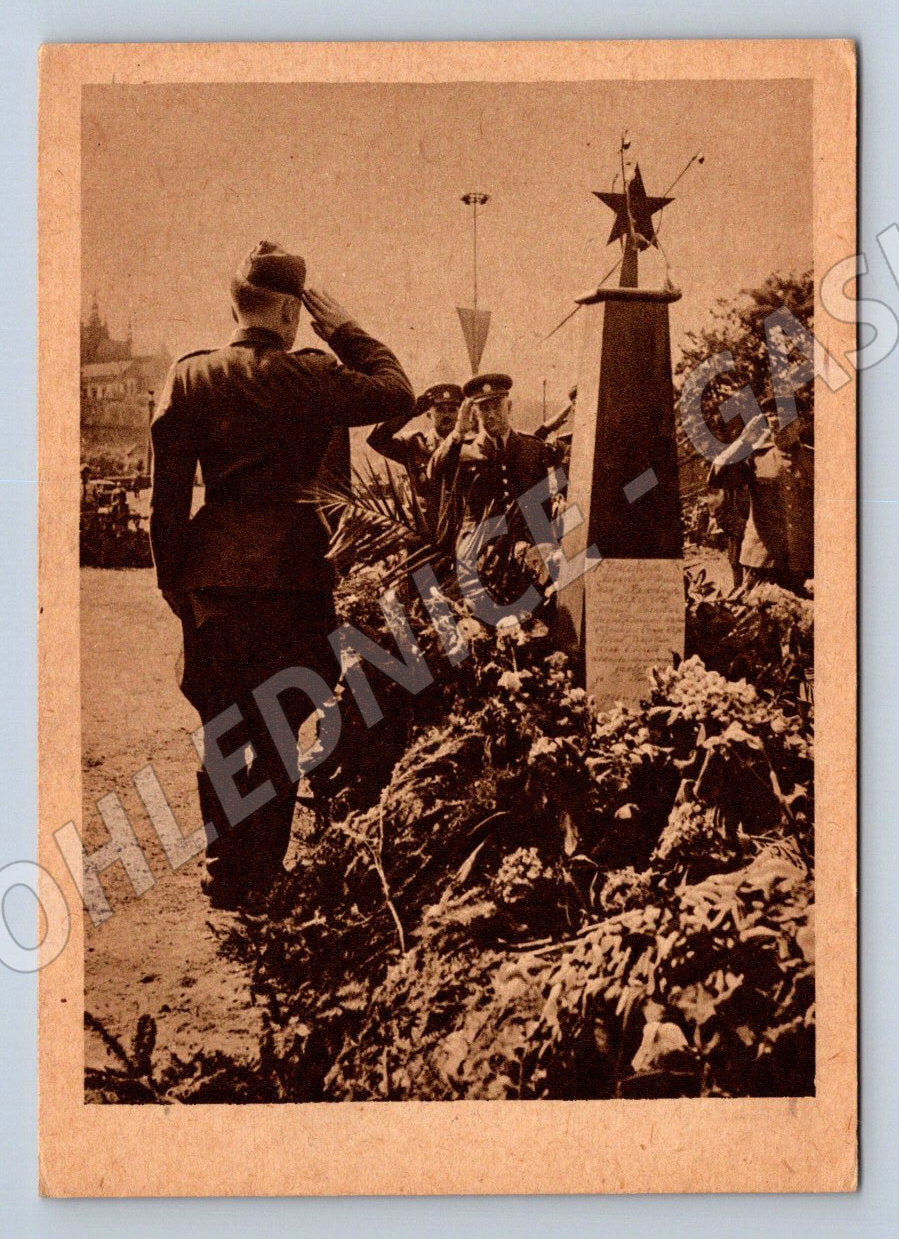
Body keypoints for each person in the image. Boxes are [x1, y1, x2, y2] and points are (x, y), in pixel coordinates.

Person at [150, 240, 415, 908]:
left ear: (234, 304)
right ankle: (258, 874)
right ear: (294, 316)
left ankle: (221, 866)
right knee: (275, 733)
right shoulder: (307, 374)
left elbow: (166, 502)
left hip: (211, 578)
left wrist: (175, 584)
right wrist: (345, 328)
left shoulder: (187, 376)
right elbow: (396, 390)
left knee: (221, 727)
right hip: (291, 580)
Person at [708, 409, 813, 594]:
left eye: (787, 419)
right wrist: (743, 441)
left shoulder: (815, 460)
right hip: (761, 562)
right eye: (773, 419)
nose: (778, 423)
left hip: (803, 563)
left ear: (801, 424)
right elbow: (717, 476)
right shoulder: (755, 457)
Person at [367, 382, 463, 515]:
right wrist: (409, 413)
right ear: (429, 415)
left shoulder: (469, 445)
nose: (446, 415)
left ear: (459, 415)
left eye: (452, 410)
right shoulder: (415, 443)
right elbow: (376, 439)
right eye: (440, 410)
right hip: (425, 523)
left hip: (462, 523)